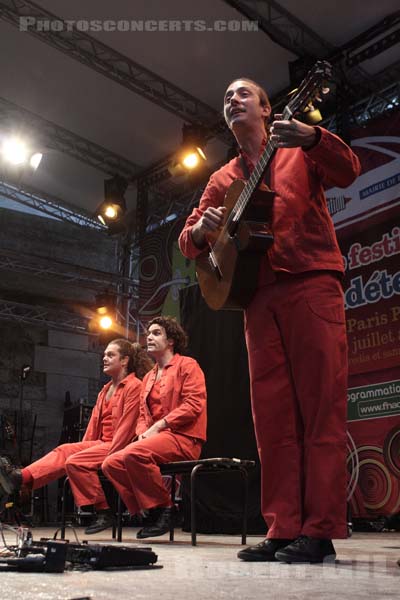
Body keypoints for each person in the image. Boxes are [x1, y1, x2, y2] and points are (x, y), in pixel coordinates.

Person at [178, 77, 361, 563]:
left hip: (311, 281)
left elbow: (349, 170)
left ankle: (319, 531)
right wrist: (201, 229)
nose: (231, 99)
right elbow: (188, 244)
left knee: (321, 408)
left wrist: (316, 137)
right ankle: (282, 527)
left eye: (242, 94)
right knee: (272, 418)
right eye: (225, 97)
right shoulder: (220, 179)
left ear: (266, 109)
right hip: (257, 298)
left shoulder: (299, 148)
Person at [0, 339, 153, 534]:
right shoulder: (104, 391)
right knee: (65, 449)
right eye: (104, 354)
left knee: (74, 461)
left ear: (124, 361)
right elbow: (91, 431)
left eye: (110, 355)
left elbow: (125, 431)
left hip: (119, 446)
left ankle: (103, 511)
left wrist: (94, 455)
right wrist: (84, 449)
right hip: (101, 444)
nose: (104, 358)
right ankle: (21, 478)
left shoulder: (134, 386)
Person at [102, 316, 207, 539]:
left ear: (171, 340)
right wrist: (142, 433)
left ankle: (166, 509)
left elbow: (194, 404)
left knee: (132, 453)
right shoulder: (149, 376)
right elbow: (142, 414)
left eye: (156, 333)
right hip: (156, 441)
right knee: (111, 463)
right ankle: (148, 511)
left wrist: (159, 426)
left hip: (184, 438)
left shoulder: (187, 365)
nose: (149, 336)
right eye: (148, 333)